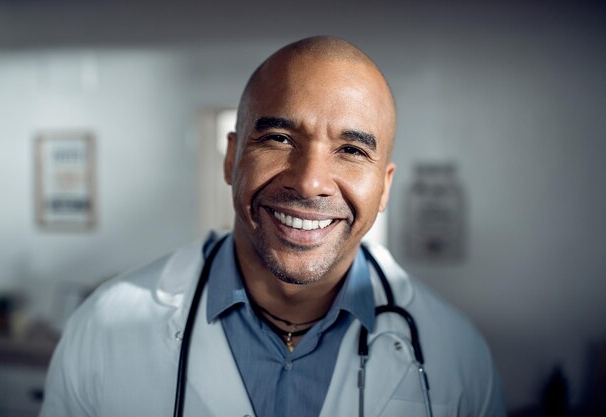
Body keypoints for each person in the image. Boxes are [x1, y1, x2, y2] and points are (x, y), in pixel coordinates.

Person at [40, 36, 506, 417]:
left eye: (351, 150)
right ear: (231, 157)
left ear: (384, 189)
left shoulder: (456, 355)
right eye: (280, 138)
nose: (310, 181)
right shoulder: (103, 329)